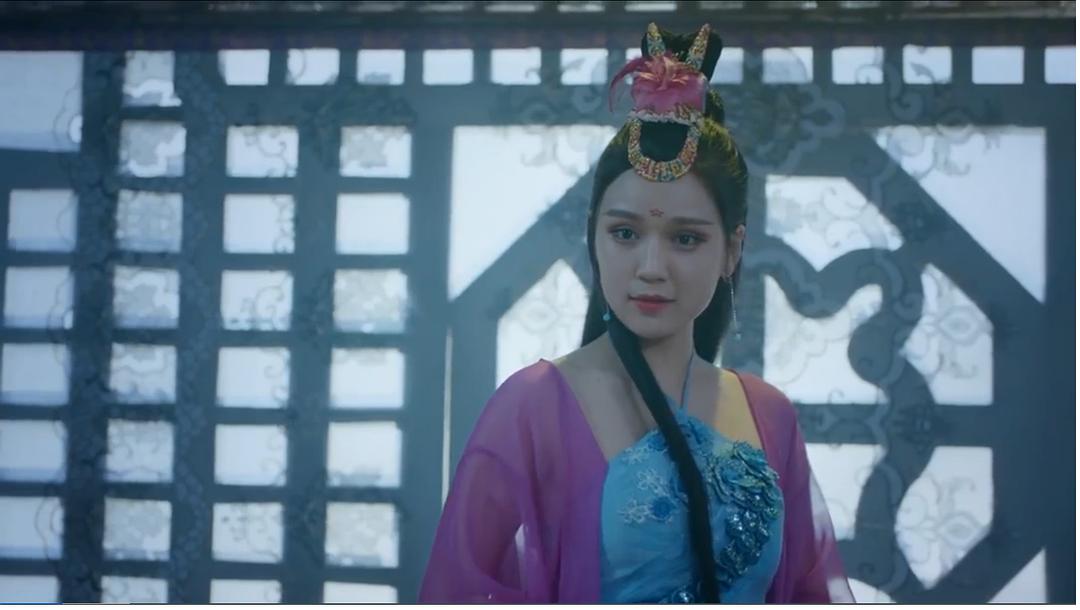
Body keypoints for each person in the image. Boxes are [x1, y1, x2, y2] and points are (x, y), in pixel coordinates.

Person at [419, 22, 854, 604]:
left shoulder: (769, 414)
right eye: (625, 233)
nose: (651, 267)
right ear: (593, 237)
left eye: (686, 239)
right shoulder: (532, 406)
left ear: (733, 250)